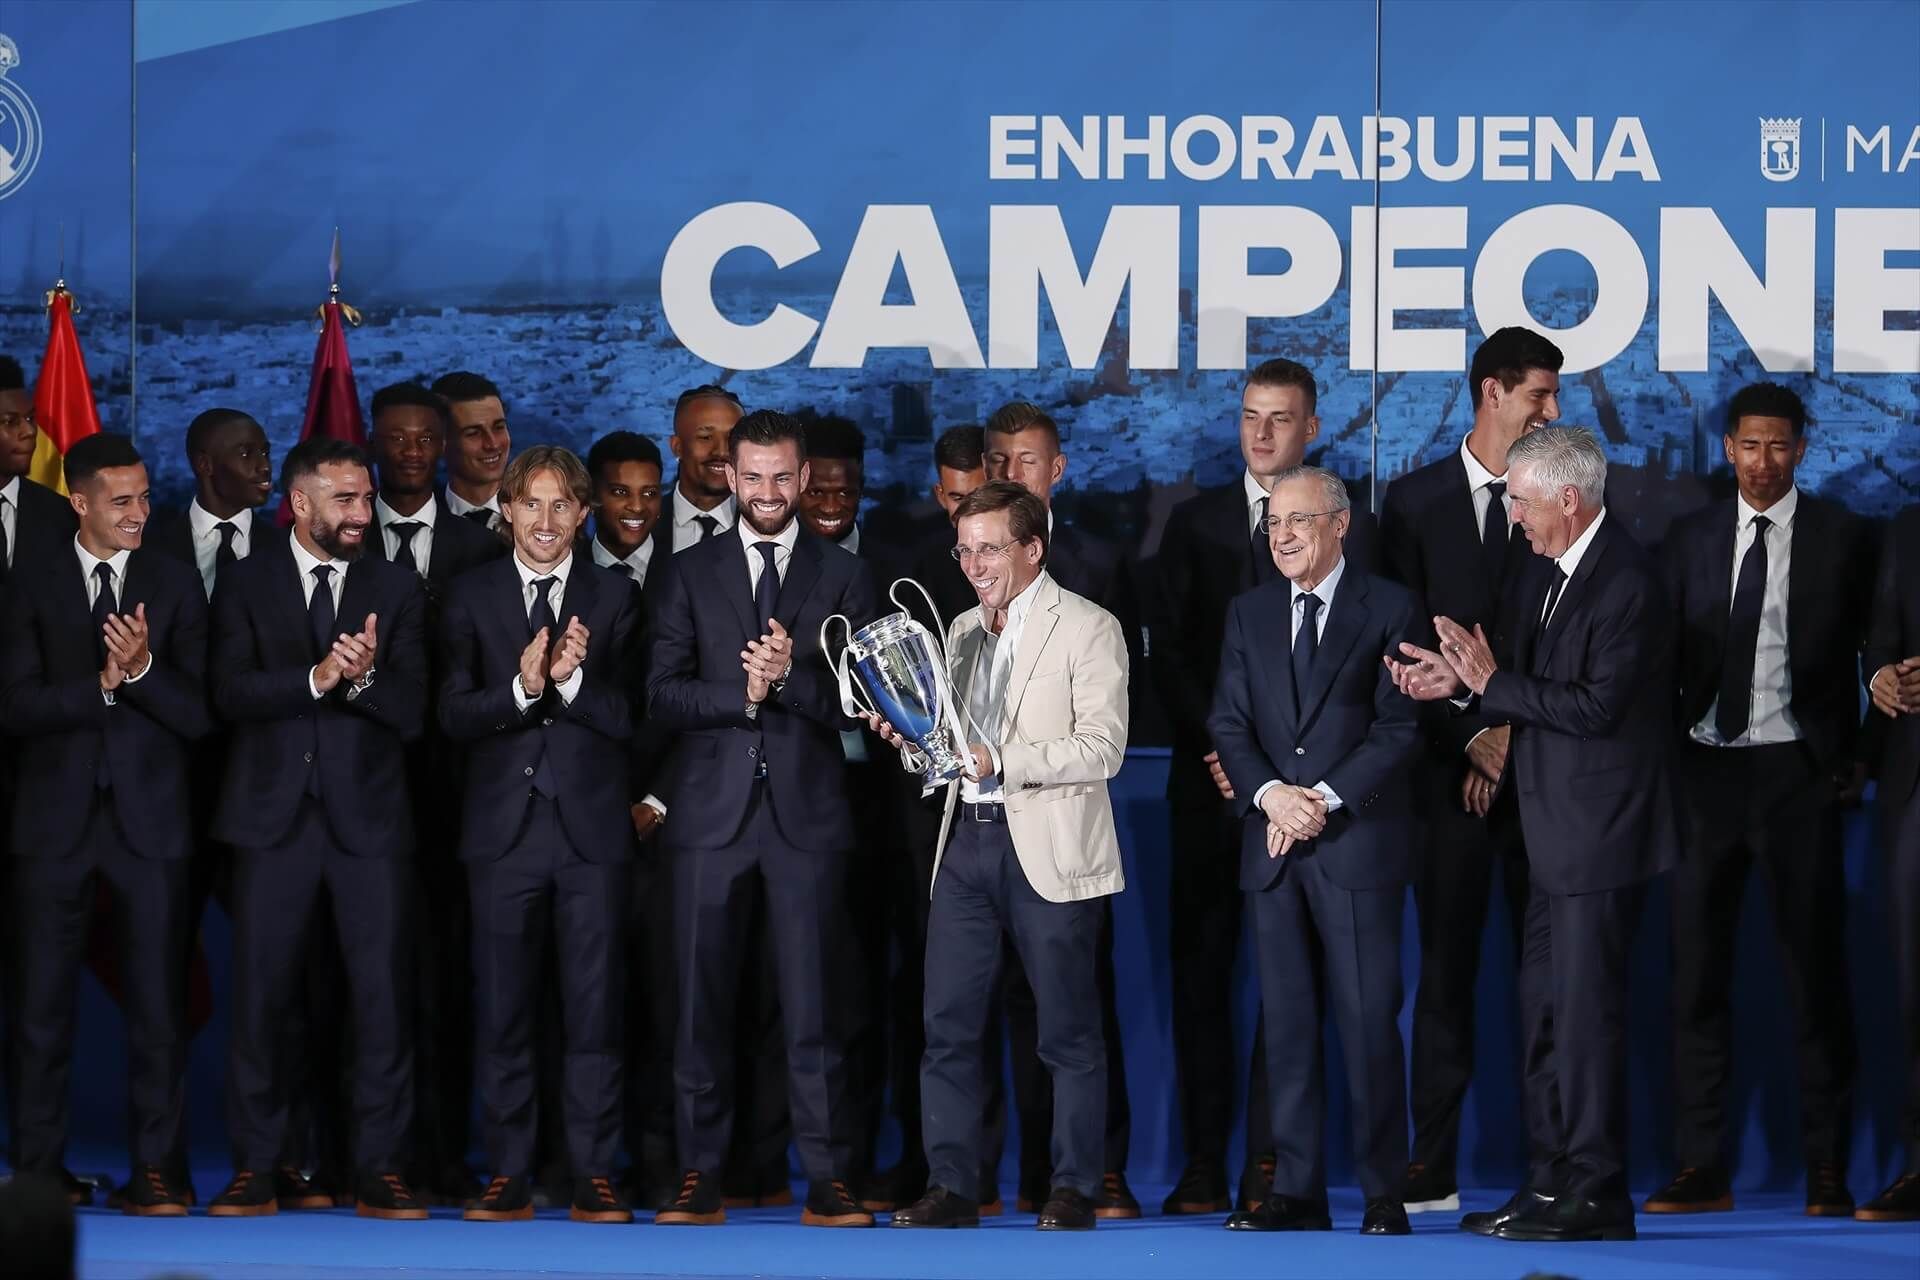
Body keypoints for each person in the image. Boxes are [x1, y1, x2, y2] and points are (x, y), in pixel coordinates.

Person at [1391, 426, 1680, 1243]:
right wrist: (1459, 684)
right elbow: (1520, 680)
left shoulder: (1628, 581)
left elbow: (1593, 708)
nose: (1509, 513)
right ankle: (1551, 1181)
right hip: (1548, 834)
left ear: (1567, 496)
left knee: (1586, 1021)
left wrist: (1492, 683)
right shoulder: (1545, 570)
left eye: (1517, 498)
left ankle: (1599, 1191)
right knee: (1546, 1014)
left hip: (1599, 836)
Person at [647, 409, 879, 1228]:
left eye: (784, 476)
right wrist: (740, 693)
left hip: (809, 818)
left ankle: (829, 1178)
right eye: (753, 477)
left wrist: (787, 684)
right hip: (708, 819)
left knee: (816, 1009)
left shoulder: (847, 572)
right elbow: (663, 694)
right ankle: (697, 1174)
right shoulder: (684, 571)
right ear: (728, 477)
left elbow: (859, 704)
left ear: (805, 475)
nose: (769, 492)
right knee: (698, 1004)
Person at [878, 479, 1128, 1231]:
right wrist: (912, 743)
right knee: (948, 1027)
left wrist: (1000, 760)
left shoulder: (1088, 626)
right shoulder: (955, 631)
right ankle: (952, 1186)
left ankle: (1073, 1187)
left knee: (1066, 1032)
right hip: (966, 847)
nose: (974, 562)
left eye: (990, 548)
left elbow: (1104, 746)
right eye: (964, 549)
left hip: (1048, 843)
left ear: (1032, 548)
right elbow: (948, 753)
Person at [1649, 382, 1872, 1218]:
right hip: (1705, 774)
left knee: (1816, 980)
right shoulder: (1688, 539)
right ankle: (1700, 1166)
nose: (1762, 463)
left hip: (1796, 778)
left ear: (1802, 448)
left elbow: (1877, 650)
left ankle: (1826, 1169)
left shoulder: (1845, 539)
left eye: (1778, 446)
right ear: (1729, 448)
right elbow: (1657, 655)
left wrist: (1851, 759)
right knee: (1695, 979)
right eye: (1748, 446)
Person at [205, 438, 430, 1220]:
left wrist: (362, 678)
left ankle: (381, 1170)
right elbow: (227, 693)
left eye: (366, 499)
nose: (363, 514)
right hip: (272, 826)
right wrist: (316, 678)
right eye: (345, 500)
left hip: (370, 826)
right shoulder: (242, 580)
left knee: (380, 1003)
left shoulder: (396, 588)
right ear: (299, 504)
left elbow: (411, 713)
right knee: (263, 1002)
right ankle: (258, 1167)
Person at [1151, 357, 1350, 1214]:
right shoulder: (1189, 524)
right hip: (1208, 791)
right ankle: (1202, 1159)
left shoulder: (1348, 529)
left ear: (1312, 428)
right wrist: (1225, 754)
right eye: (1249, 416)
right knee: (1201, 978)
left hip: (1305, 804)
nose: (1261, 432)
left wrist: (1277, 775)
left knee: (1294, 985)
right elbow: (1174, 656)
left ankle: (1274, 1158)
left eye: (1280, 418)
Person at [0, 433, 212, 1215]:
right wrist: (98, 684)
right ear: (79, 502)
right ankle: (37, 1174)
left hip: (151, 830)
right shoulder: (31, 582)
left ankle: (160, 1172)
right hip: (51, 829)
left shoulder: (175, 583)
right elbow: (14, 706)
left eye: (145, 498)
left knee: (158, 1007)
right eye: (120, 501)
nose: (137, 513)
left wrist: (147, 672)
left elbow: (200, 716)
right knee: (39, 1012)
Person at [1376, 326, 1561, 1213]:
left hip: (1544, 783)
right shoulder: (1411, 504)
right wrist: (1472, 736)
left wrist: (1512, 733)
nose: (1551, 412)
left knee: (1549, 980)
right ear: (1493, 392)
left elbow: (1566, 641)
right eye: (1539, 396)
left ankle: (1554, 1165)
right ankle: (1432, 1162)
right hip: (1447, 784)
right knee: (1445, 974)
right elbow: (1398, 646)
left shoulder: (1561, 503)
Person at [1207, 465, 1420, 1235]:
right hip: (1272, 847)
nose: (1283, 536)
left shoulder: (1392, 606)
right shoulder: (1248, 612)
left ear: (1340, 525)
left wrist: (1318, 803)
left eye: (1299, 521)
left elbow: (1398, 728)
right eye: (1273, 523)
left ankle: (1383, 1193)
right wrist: (1270, 796)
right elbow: (1229, 725)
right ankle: (1294, 1192)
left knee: (1367, 1024)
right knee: (1288, 1026)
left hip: (1354, 845)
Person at [440, 446, 643, 1225]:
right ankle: (510, 1172)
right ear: (507, 512)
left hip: (592, 837)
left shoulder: (617, 596)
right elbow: (450, 716)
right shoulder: (467, 597)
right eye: (532, 506)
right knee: (504, 1010)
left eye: (563, 507)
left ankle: (594, 1172)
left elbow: (633, 719)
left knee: (595, 1010)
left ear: (583, 515)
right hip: (501, 836)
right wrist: (522, 689)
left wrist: (574, 683)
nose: (547, 522)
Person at [979, 400, 1139, 1217]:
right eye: (998, 461)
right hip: (976, 836)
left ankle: (1094, 1170)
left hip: (1064, 831)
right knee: (993, 1009)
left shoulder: (1098, 567)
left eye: (1027, 461)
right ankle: (1027, 1174)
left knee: (1077, 1007)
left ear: (1058, 469)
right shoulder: (969, 569)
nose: (1012, 473)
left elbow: (1111, 717)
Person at [365, 380, 509, 1204]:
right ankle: (359, 1150)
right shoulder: (343, 539)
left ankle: (449, 1150)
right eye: (401, 439)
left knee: (456, 985)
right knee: (364, 983)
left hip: (464, 805)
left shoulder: (485, 549)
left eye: (431, 439)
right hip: (359, 804)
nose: (415, 453)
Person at [583, 429, 677, 1208]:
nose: (637, 508)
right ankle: (577, 1162)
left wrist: (655, 801)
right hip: (573, 826)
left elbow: (694, 708)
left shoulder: (688, 575)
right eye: (619, 492)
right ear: (590, 499)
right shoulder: (563, 579)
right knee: (579, 1002)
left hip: (669, 823)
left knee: (661, 1002)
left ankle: (657, 1162)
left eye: (651, 492)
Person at [1862, 503, 1920, 1221]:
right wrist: (1877, 675)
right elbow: (1882, 637)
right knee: (1915, 989)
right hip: (1912, 788)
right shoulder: (1906, 526)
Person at [144, 408, 278, 598]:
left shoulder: (285, 549)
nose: (265, 466)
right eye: (246, 454)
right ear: (205, 464)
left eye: (265, 452)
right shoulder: (151, 550)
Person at [433, 371, 512, 536]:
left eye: (498, 427)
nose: (493, 444)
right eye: (473, 433)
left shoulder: (547, 516)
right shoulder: (420, 521)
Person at [666, 385, 743, 550]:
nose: (722, 451)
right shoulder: (643, 521)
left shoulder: (768, 524)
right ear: (677, 446)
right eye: (706, 437)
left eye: (733, 438)